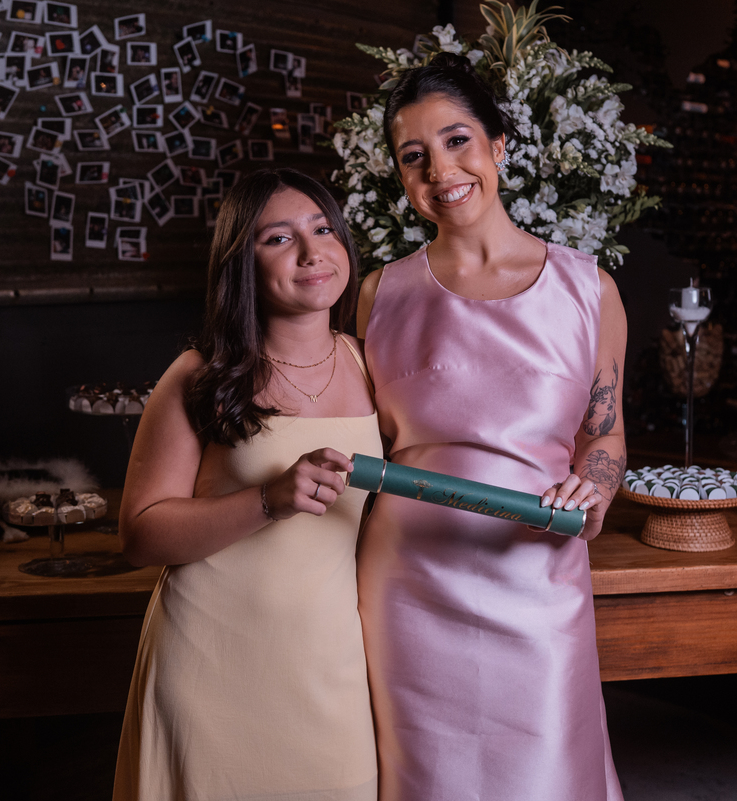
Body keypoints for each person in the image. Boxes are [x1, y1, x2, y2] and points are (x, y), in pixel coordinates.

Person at [356, 53, 628, 799]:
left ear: (498, 145)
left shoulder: (589, 290)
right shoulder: (380, 294)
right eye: (413, 156)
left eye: (457, 141)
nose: (440, 170)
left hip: (536, 573)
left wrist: (595, 490)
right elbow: (360, 439)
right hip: (408, 585)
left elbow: (603, 434)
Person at [113, 169, 380, 801]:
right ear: (242, 261)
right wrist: (267, 499)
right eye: (279, 238)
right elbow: (140, 534)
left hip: (332, 663)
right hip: (212, 663)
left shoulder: (373, 362)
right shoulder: (200, 373)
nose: (312, 253)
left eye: (323, 230)